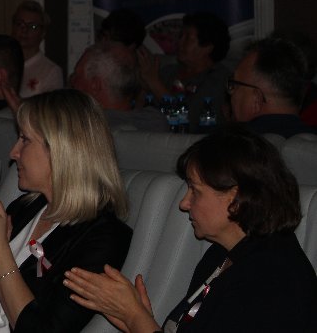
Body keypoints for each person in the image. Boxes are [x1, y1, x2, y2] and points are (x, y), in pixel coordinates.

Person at [64, 127, 317, 332]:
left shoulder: (271, 280)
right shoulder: (223, 254)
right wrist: (135, 320)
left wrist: (135, 318)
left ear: (236, 199)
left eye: (195, 190)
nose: (184, 203)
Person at [0, 89, 132, 332]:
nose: (13, 152)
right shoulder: (24, 208)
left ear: (61, 150)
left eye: (25, 140)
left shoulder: (102, 237)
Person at [138, 12, 231, 132]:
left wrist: (154, 83)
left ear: (207, 47)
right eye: (181, 36)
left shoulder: (219, 80)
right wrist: (144, 87)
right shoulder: (167, 72)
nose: (179, 42)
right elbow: (139, 113)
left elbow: (189, 121)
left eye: (187, 38)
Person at [228, 37, 316, 137]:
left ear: (256, 100)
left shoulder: (240, 143)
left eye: (235, 85)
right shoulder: (311, 139)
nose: (231, 94)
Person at [70, 42, 168, 132]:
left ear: (95, 85)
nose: (71, 81)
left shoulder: (84, 127)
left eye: (76, 75)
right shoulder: (156, 121)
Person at [11, 0, 63, 97]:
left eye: (32, 26)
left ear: (42, 33)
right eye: (19, 24)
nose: (24, 30)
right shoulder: (3, 63)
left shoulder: (51, 71)